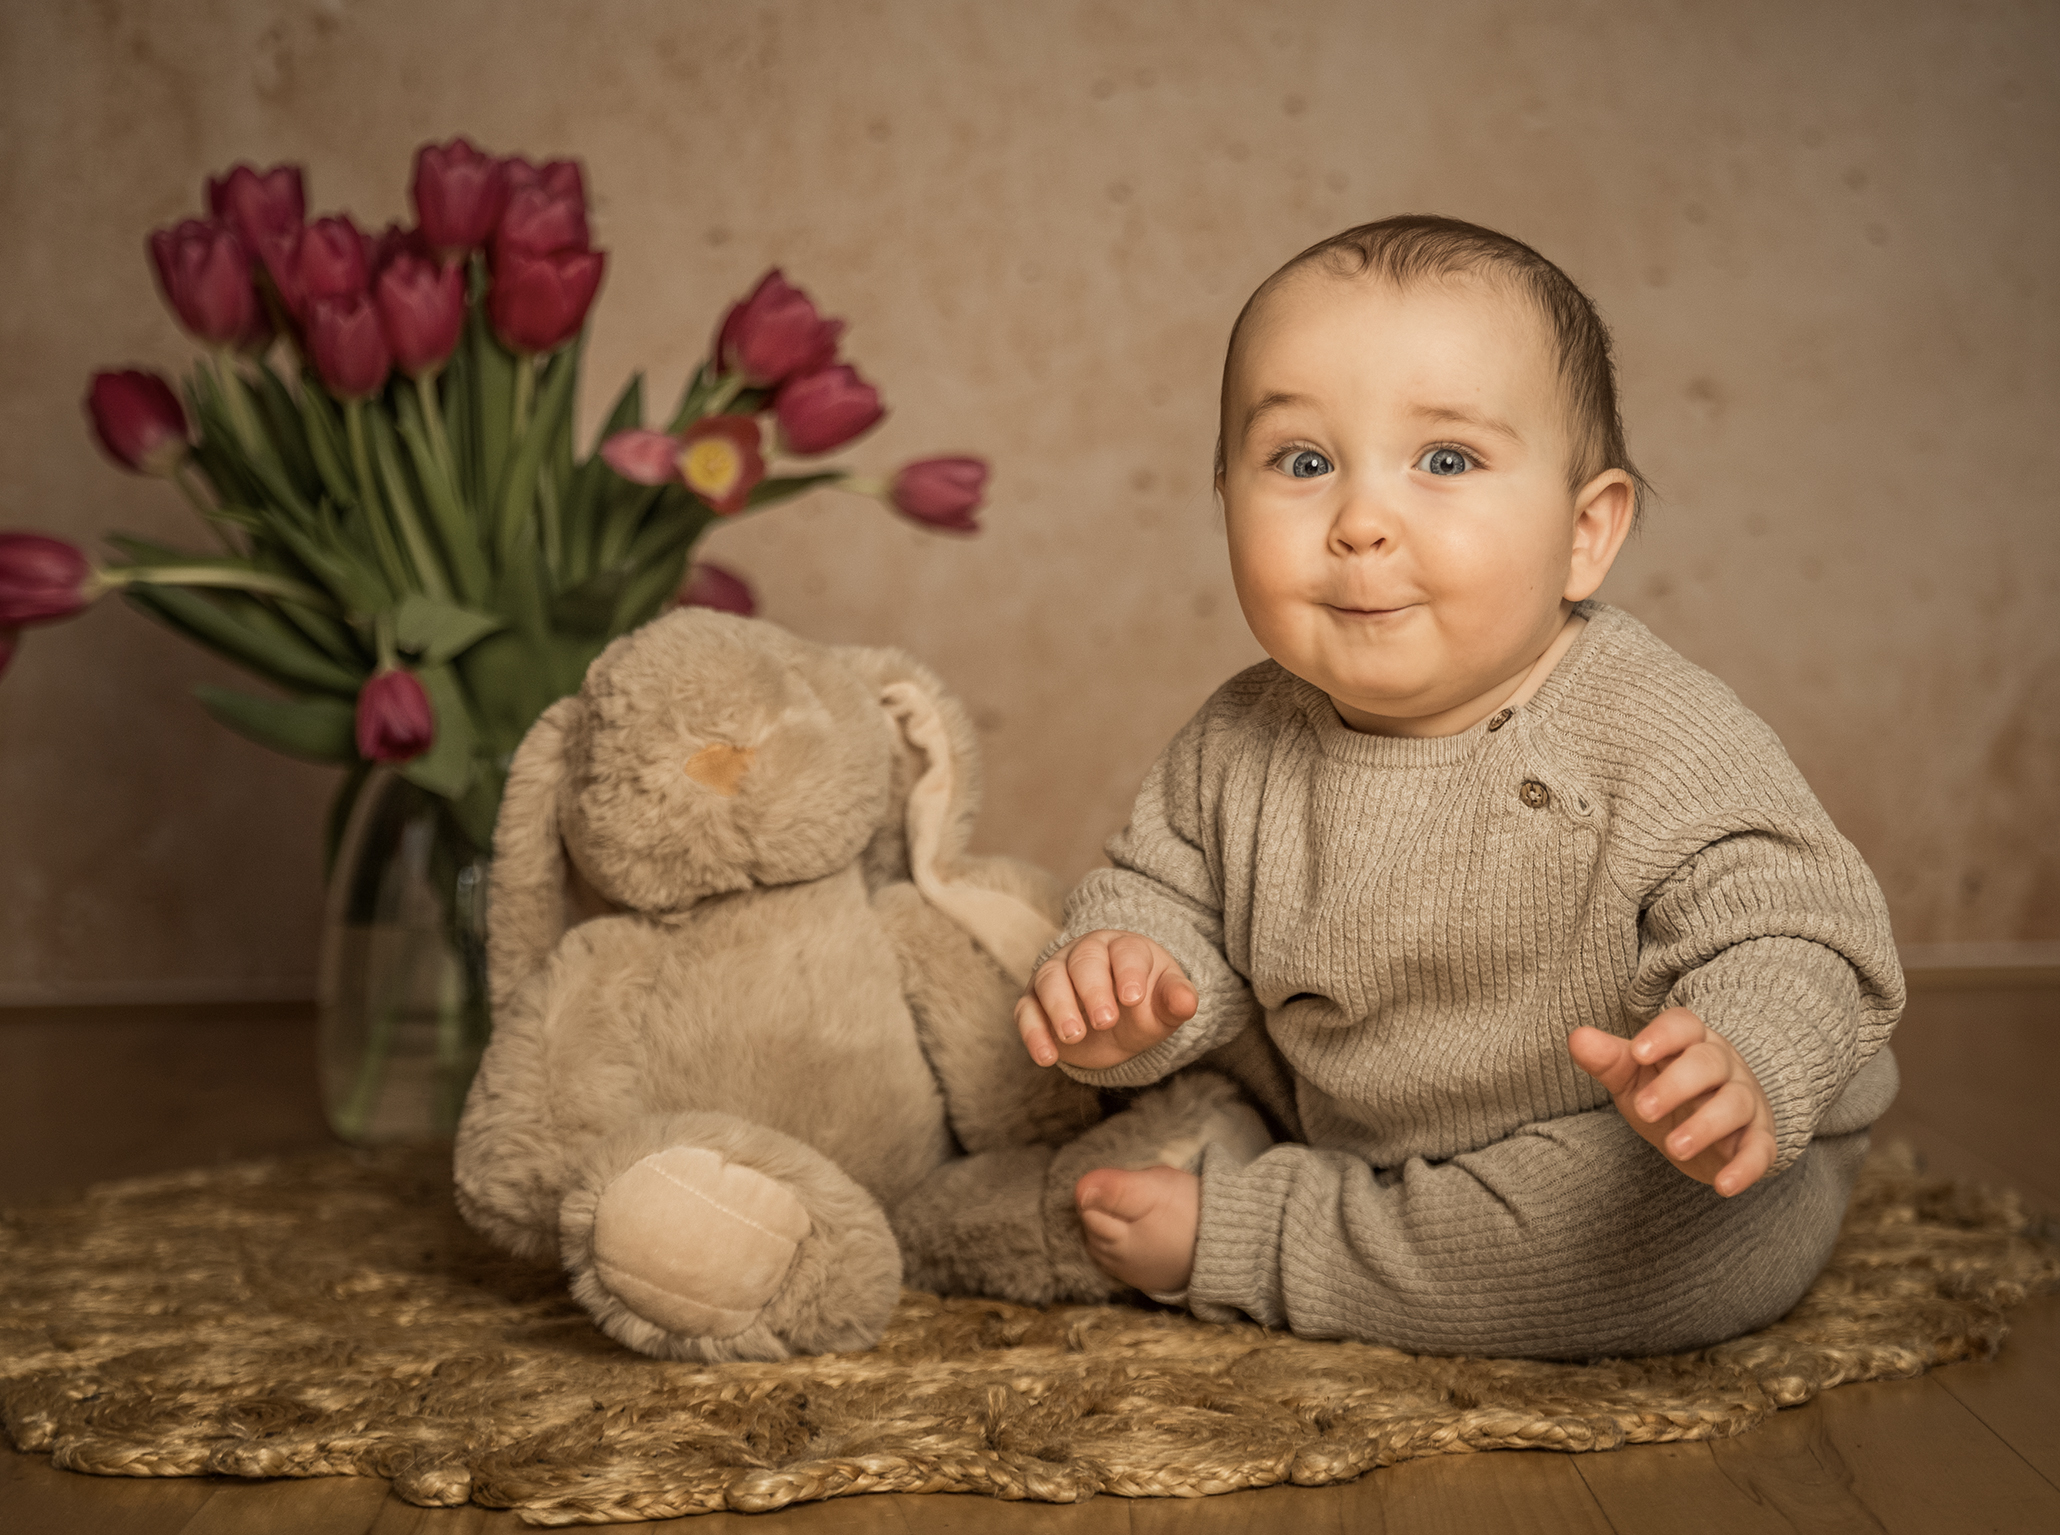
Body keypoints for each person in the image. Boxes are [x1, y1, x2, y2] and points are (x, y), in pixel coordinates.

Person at [1014, 216, 1902, 1359]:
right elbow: (1163, 902)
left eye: (1444, 461)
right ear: (1221, 494)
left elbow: (1798, 923)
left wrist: (1741, 1055)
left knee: (1623, 1236)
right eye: (1300, 461)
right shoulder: (1235, 739)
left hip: (1638, 1141)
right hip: (1363, 1118)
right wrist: (1122, 984)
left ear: (1585, 533)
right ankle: (1322, 1193)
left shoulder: (1649, 726)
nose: (1360, 522)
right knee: (1101, 1085)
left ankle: (1263, 1234)